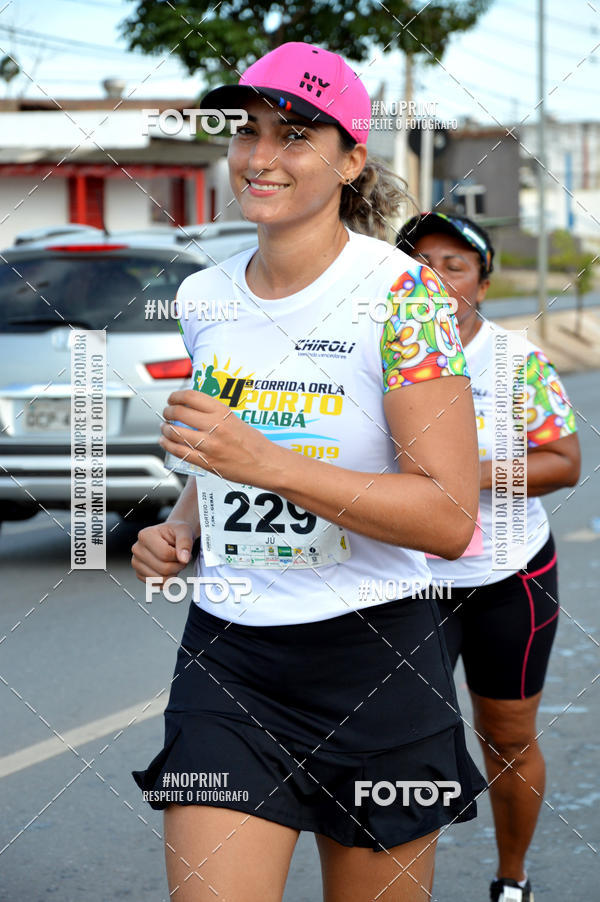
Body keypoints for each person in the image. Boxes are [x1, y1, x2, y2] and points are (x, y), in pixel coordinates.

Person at [131, 43, 487, 902]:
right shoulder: (204, 296)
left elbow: (446, 518)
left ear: (352, 158)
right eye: (246, 132)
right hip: (231, 655)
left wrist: (270, 465)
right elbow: (229, 450)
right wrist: (186, 520)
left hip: (375, 659)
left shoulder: (404, 298)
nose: (260, 157)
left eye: (295, 135)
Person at [396, 212, 581, 902]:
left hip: (509, 574)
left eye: (455, 264)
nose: (437, 279)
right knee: (404, 742)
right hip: (410, 579)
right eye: (421, 264)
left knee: (504, 738)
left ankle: (511, 879)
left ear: (483, 281)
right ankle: (403, 882)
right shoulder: (375, 356)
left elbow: (565, 463)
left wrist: (467, 472)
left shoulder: (513, 359)